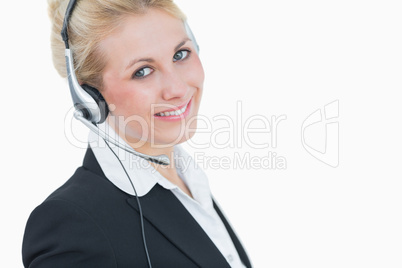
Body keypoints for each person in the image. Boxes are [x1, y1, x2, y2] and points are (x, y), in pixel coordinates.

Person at [22, 0, 252, 267]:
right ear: (89, 97)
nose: (177, 88)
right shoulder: (72, 224)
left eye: (181, 54)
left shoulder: (187, 179)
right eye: (142, 71)